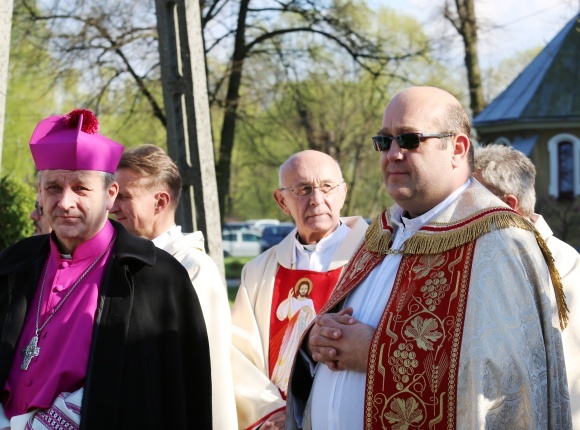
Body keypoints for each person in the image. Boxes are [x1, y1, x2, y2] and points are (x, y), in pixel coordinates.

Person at [285, 86, 571, 429]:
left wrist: (377, 354)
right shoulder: (381, 231)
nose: (392, 153)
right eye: (384, 140)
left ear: (457, 148)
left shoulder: (500, 241)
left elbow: (506, 385)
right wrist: (317, 342)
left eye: (408, 139)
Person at [0, 109, 212, 429]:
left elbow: (182, 396)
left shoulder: (158, 277)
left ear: (110, 195)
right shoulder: (13, 265)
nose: (66, 202)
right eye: (54, 188)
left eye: (81, 188)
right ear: (40, 195)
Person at [231, 150, 368, 429]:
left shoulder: (373, 258)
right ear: (282, 201)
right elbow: (238, 354)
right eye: (303, 189)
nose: (317, 200)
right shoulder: (259, 272)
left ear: (342, 193)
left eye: (327, 187)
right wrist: (270, 412)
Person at [110, 144, 237, 430]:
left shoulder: (193, 269)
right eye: (113, 194)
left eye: (124, 196)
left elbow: (206, 371)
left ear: (160, 202)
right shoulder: (120, 261)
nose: (112, 206)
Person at [473, 144, 580, 428]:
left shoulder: (563, 262)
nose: (463, 210)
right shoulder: (485, 259)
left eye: (474, 199)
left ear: (508, 206)